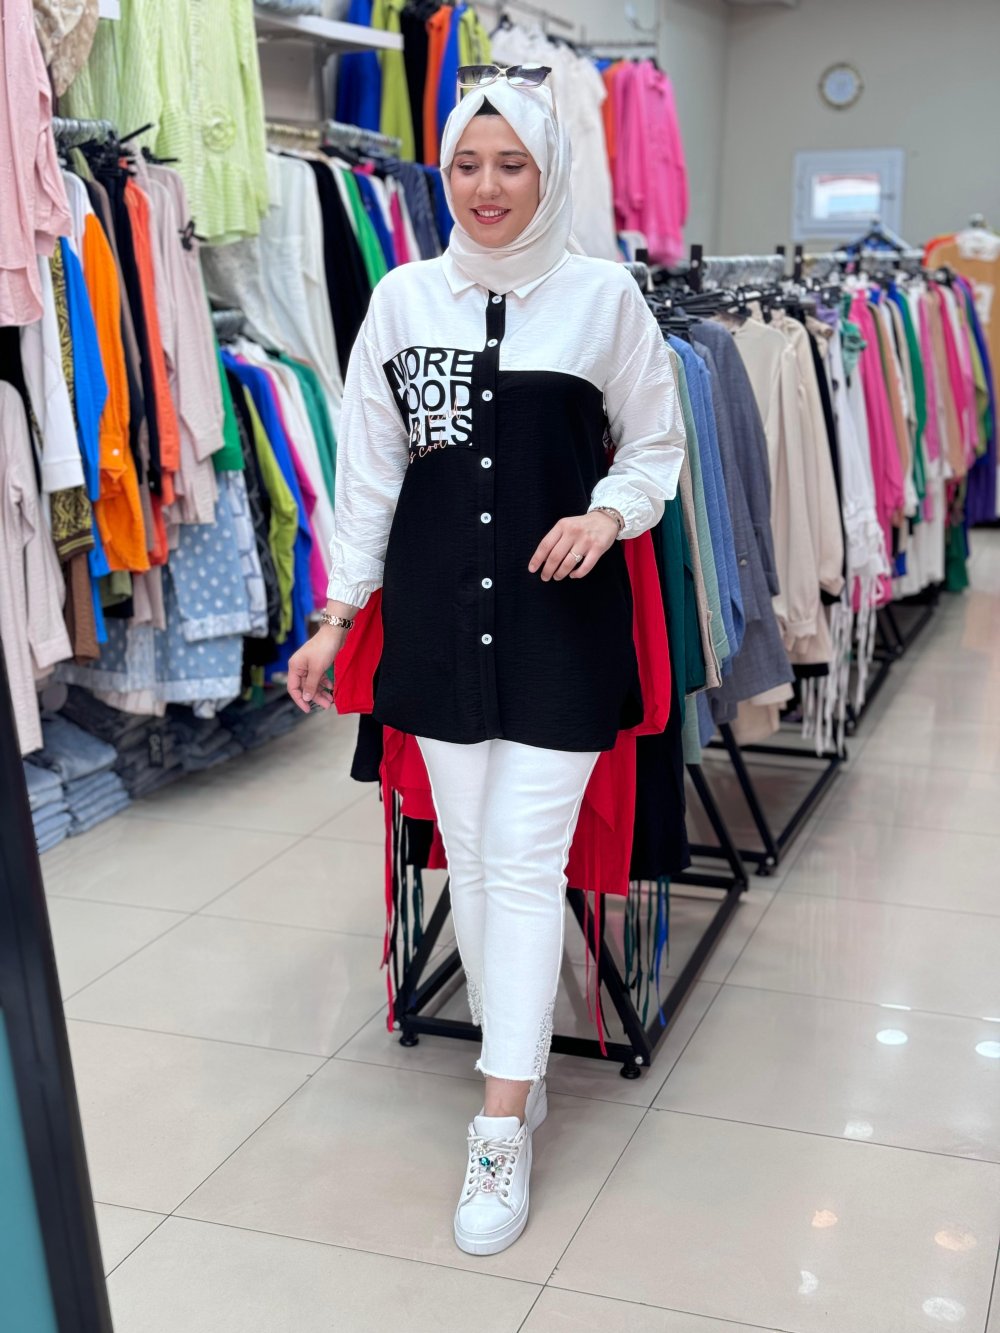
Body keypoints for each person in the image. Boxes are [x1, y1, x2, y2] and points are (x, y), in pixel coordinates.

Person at [287, 67, 686, 1257]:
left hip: (562, 627)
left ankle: (498, 1124)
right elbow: (369, 473)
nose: (486, 186)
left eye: (511, 164)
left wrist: (608, 513)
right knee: (472, 858)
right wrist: (336, 613)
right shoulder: (404, 299)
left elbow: (656, 444)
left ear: (549, 172)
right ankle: (522, 1069)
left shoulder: (604, 297)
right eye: (466, 164)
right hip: (433, 624)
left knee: (521, 859)